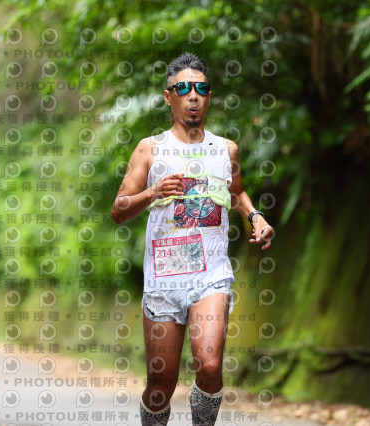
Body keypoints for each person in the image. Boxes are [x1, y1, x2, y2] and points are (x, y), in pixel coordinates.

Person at [111, 52, 274, 426]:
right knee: (161, 385)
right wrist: (152, 193)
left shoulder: (226, 149)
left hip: (210, 274)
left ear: (209, 95)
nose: (193, 96)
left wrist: (255, 216)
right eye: (183, 89)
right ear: (168, 97)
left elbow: (235, 192)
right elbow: (119, 210)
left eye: (201, 88)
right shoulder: (150, 149)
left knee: (210, 364)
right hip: (165, 278)